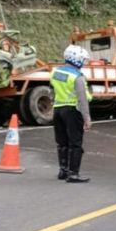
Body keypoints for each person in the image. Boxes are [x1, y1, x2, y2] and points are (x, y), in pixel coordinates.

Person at [50, 45, 93, 183]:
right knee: (75, 143)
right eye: (82, 59)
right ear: (77, 59)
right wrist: (87, 118)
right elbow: (83, 99)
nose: (83, 62)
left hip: (57, 109)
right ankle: (73, 173)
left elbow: (52, 91)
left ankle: (63, 171)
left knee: (62, 142)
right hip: (72, 110)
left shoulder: (55, 72)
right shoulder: (77, 77)